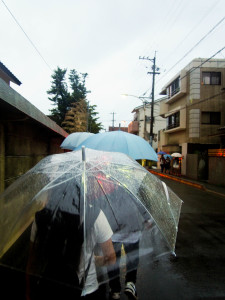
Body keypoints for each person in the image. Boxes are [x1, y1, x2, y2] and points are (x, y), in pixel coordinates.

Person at [26, 184, 116, 300]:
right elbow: (111, 258)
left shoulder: (42, 217)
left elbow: (33, 262)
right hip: (86, 289)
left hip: (50, 287)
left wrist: (28, 291)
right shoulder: (96, 215)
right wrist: (94, 259)